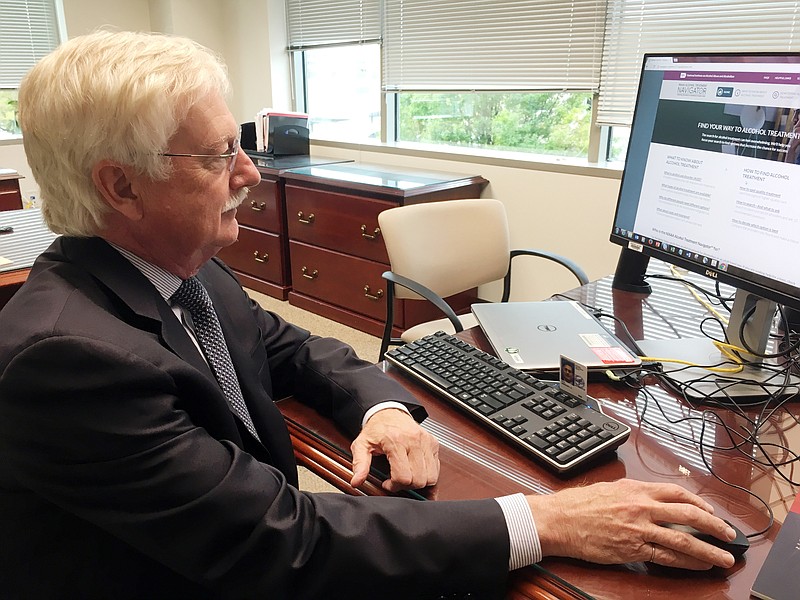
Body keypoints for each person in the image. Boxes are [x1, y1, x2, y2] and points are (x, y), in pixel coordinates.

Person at [0, 30, 738, 599]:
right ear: (122, 187)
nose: (250, 173)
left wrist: (384, 409)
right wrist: (543, 520)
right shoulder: (68, 359)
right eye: (221, 154)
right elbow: (281, 545)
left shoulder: (179, 271)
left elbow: (296, 349)